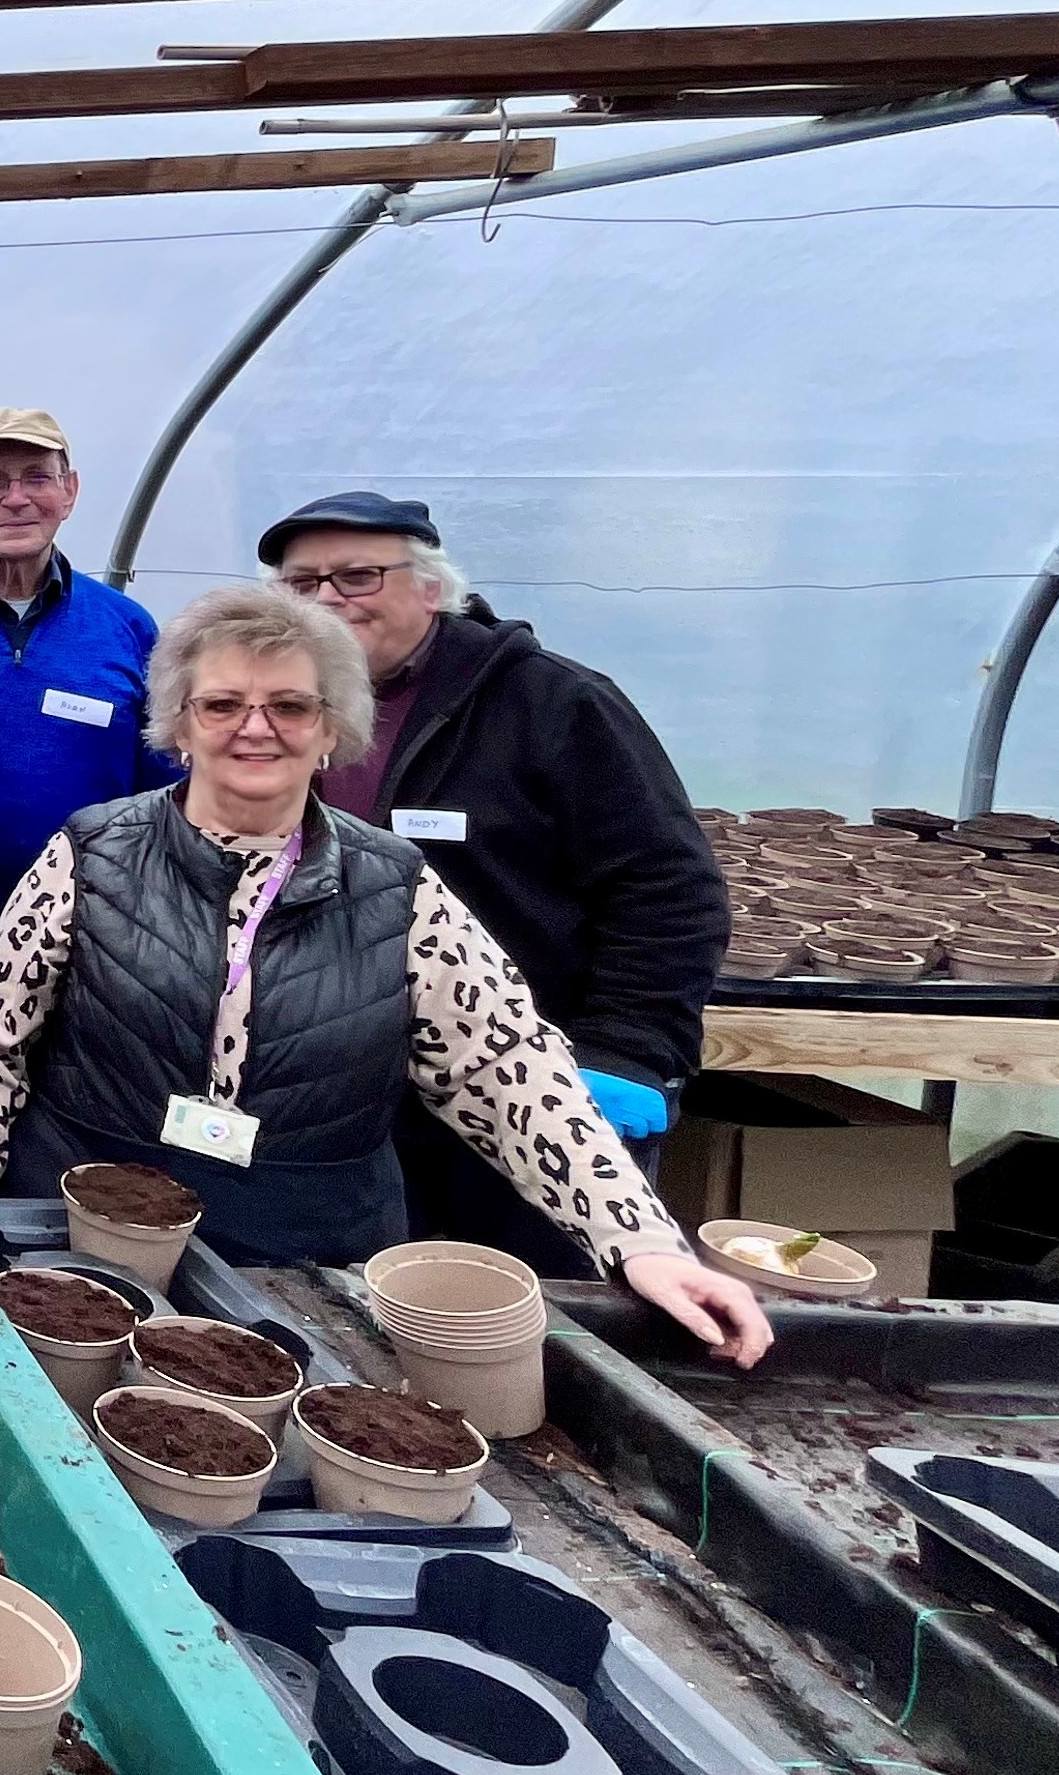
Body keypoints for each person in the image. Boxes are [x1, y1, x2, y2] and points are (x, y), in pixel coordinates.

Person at [0, 587, 768, 1365]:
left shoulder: (395, 888)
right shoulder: (91, 853)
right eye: (221, 704)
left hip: (305, 1270)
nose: (254, 727)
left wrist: (640, 1243)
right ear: (178, 727)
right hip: (90, 1251)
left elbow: (509, 1069)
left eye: (290, 705)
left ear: (332, 729)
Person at [259, 492, 732, 1272]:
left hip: (523, 1080)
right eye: (300, 583)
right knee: (367, 1310)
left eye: (356, 576)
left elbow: (668, 888)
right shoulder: (275, 714)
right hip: (345, 1090)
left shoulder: (550, 703)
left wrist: (623, 1049)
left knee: (522, 1313)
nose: (327, 599)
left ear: (430, 588)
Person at [0, 407, 174, 985]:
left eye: (37, 478)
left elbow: (164, 790)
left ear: (69, 492)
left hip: (96, 944)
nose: (15, 498)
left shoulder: (128, 627)